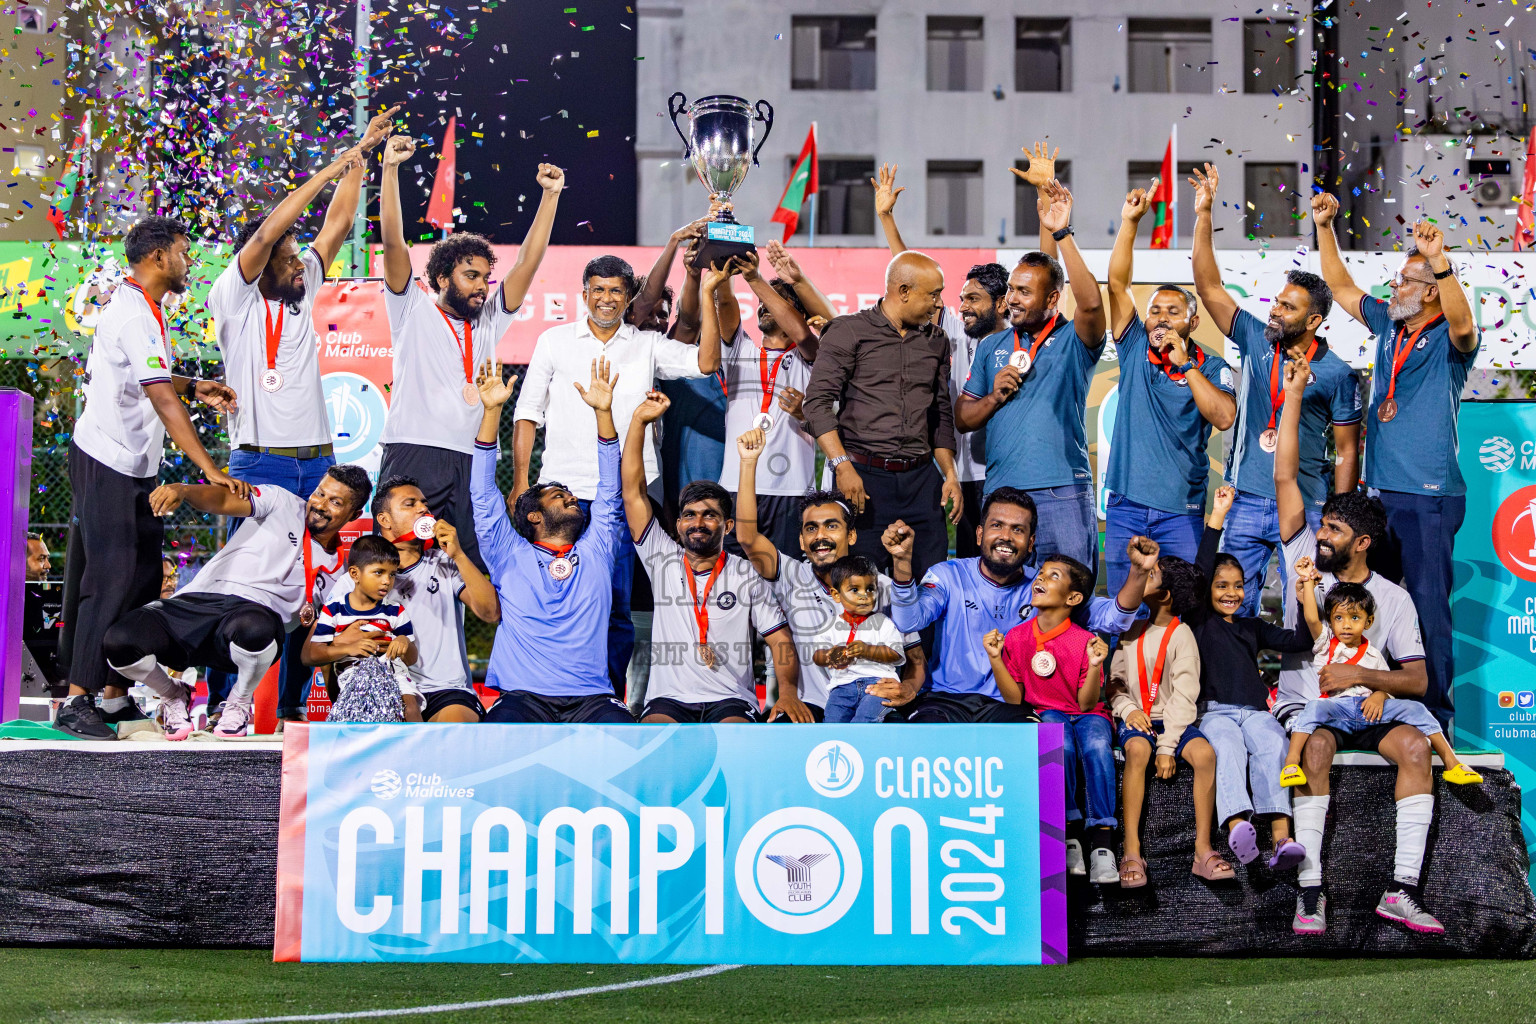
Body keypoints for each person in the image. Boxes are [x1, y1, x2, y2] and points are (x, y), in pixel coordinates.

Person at [207, 108, 397, 725]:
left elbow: (339, 220)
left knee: (304, 592)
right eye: (290, 258)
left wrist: (360, 160)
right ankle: (217, 698)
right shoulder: (232, 297)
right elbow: (268, 233)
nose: (300, 264)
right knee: (242, 584)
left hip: (316, 465)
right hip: (257, 463)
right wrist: (335, 164)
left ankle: (284, 706)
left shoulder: (300, 287)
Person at [1273, 354, 1444, 936]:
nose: (1321, 535)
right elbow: (1285, 477)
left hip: (1368, 709)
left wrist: (1366, 680)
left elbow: (1417, 681)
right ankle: (1311, 893)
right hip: (1311, 713)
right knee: (1315, 750)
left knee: (1417, 749)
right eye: (1322, 526)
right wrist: (1293, 396)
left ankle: (1401, 891)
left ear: (1363, 543)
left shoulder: (1392, 598)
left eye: (1335, 531)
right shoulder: (1305, 564)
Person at [56, 215, 244, 741]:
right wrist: (209, 468)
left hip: (134, 466)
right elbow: (160, 398)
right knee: (110, 578)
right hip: (108, 461)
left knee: (141, 580)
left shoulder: (144, 306)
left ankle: (115, 697)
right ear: (159, 256)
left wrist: (196, 384)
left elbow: (154, 379)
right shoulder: (135, 312)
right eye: (184, 251)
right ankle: (77, 700)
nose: (190, 261)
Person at [513, 253, 720, 696]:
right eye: (599, 290)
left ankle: (605, 695)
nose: (606, 299)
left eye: (616, 291)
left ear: (629, 298)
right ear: (584, 294)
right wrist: (519, 484)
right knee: (557, 598)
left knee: (616, 606)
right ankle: (548, 690)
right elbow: (527, 414)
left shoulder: (646, 345)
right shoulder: (553, 340)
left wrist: (707, 292)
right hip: (563, 494)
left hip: (627, 496)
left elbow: (705, 363)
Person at [1312, 194, 1477, 730]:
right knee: (1371, 606)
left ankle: (1435, 721)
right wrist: (1326, 226)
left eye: (1404, 281)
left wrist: (1442, 262)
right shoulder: (1388, 324)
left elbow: (1465, 324)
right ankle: (1377, 708)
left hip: (1427, 496)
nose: (1393, 288)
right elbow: (1339, 286)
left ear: (1430, 292)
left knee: (1429, 609)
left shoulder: (1451, 340)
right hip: (1379, 493)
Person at [377, 132, 564, 573]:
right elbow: (392, 244)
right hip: (415, 451)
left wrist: (551, 197)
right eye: (470, 275)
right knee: (401, 563)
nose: (482, 286)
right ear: (442, 278)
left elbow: (527, 264)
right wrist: (389, 170)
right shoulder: (411, 308)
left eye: (485, 277)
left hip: (472, 460)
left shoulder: (489, 319)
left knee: (470, 569)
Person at [1189, 165, 1361, 617]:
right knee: (1230, 609)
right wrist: (1204, 213)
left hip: (1303, 507)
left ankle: (1297, 690)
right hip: (1245, 497)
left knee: (1302, 610)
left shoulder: (1338, 373)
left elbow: (1346, 451)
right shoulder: (1255, 338)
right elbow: (1208, 287)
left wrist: (1336, 517)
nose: (1275, 311)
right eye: (1277, 302)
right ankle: (1236, 689)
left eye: (1288, 307)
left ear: (1313, 321)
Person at [101, 464, 372, 739]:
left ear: (355, 514)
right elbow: (225, 500)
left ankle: (239, 703)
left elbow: (319, 644)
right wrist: (184, 491)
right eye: (320, 493)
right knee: (119, 640)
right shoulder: (281, 501)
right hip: (197, 601)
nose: (320, 505)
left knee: (257, 626)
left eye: (335, 502)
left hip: (249, 627)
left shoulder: (340, 574)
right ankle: (172, 694)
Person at [882, 486, 1158, 732]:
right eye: (997, 526)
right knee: (921, 737)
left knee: (1043, 747)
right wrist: (902, 563)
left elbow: (1115, 619)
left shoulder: (1042, 589)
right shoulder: (947, 575)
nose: (1006, 537)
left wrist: (1138, 572)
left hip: (1009, 705)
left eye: (1018, 529)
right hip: (945, 699)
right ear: (979, 534)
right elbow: (909, 620)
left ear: (1031, 542)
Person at [954, 180, 1107, 571]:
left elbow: (1091, 302)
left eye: (1024, 292)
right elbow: (963, 416)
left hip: (1063, 491)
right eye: (1010, 290)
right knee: (1007, 598)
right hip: (1003, 492)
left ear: (1053, 299)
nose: (1012, 299)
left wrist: (1061, 234)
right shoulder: (992, 345)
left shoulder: (1075, 338)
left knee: (1071, 591)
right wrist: (993, 398)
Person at [471, 357, 633, 723]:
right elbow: (482, 493)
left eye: (569, 494)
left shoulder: (598, 549)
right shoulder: (507, 553)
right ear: (534, 515)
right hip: (523, 698)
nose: (571, 496)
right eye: (558, 495)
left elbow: (610, 488)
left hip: (592, 697)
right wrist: (492, 412)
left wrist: (603, 414)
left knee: (629, 744)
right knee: (494, 747)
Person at [873, 161, 1021, 559]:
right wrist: (886, 218)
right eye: (962, 300)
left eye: (973, 300)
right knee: (974, 562)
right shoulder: (952, 332)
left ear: (1002, 303)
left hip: (1010, 472)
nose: (962, 307)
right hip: (965, 475)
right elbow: (913, 276)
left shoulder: (1023, 341)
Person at [623, 392, 798, 723]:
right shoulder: (660, 556)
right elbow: (633, 493)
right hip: (669, 699)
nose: (697, 523)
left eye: (709, 515)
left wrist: (787, 694)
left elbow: (780, 639)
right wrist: (638, 423)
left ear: (728, 525)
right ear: (677, 524)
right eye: (689, 515)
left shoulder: (746, 575)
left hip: (730, 699)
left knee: (737, 738)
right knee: (654, 737)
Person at [734, 430, 924, 723]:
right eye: (811, 528)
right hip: (809, 707)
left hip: (872, 702)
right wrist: (748, 463)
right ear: (800, 541)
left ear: (851, 535)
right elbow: (747, 537)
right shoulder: (791, 576)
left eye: (831, 526)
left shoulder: (881, 586)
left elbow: (916, 659)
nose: (820, 536)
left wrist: (908, 688)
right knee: (775, 732)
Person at [1102, 180, 1237, 595]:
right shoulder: (1134, 346)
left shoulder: (1212, 366)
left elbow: (1224, 416)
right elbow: (1118, 284)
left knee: (1185, 605)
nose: (1160, 318)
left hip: (1181, 511)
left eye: (1172, 312)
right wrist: (1129, 223)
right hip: (1125, 506)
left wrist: (1186, 366)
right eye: (1154, 311)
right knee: (1123, 610)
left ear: (1192, 323)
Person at [802, 250, 964, 585]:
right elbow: (816, 404)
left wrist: (950, 474)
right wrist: (842, 467)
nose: (938, 304)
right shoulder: (848, 331)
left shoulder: (936, 341)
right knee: (860, 591)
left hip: (922, 484)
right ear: (903, 291)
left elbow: (940, 416)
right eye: (932, 294)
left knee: (931, 589)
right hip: (862, 482)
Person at [1190, 486, 1313, 871]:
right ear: (1208, 588)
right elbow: (1202, 568)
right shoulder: (1199, 621)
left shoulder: (1251, 626)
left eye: (1239, 585)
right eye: (1221, 585)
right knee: (1227, 748)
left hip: (1257, 711)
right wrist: (1219, 515)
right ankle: (1238, 825)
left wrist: (1305, 592)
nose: (1231, 592)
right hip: (1215, 713)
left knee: (1274, 746)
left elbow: (1301, 640)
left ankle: (1281, 839)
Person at [986, 557, 1123, 883]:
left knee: (1095, 746)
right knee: (1056, 742)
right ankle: (1071, 836)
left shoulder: (1084, 641)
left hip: (1088, 714)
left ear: (1073, 598)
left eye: (1053, 575)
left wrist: (1093, 665)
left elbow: (1086, 703)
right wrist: (995, 659)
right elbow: (1015, 699)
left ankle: (1102, 844)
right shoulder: (1017, 638)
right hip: (1049, 712)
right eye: (1042, 573)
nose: (1041, 579)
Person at [1281, 573, 1481, 788]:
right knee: (1312, 709)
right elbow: (1312, 618)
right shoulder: (1325, 644)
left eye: (1354, 617)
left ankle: (1452, 762)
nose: (1346, 625)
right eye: (1339, 618)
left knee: (1417, 710)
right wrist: (1308, 584)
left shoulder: (1374, 655)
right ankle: (1291, 762)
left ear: (1369, 621)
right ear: (1330, 621)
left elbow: (1385, 685)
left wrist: (1379, 695)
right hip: (1338, 709)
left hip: (1370, 712)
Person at [327, 476, 500, 721]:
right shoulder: (355, 579)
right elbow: (323, 646)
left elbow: (491, 613)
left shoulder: (444, 562)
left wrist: (459, 554)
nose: (423, 509)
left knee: (457, 732)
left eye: (425, 504)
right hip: (386, 689)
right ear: (384, 520)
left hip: (447, 690)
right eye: (410, 504)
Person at [1104, 555, 1224, 888]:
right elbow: (1114, 682)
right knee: (1139, 752)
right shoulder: (1130, 630)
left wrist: (1169, 745)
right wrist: (1128, 710)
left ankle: (1202, 849)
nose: (1142, 577)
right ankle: (1131, 849)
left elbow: (1185, 695)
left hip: (1173, 721)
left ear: (1165, 594)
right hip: (1137, 718)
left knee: (1205, 755)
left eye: (1151, 575)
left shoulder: (1182, 634)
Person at [713, 253, 820, 557]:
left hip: (791, 491)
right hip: (735, 487)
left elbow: (801, 333)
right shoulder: (741, 350)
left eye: (774, 301)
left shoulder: (810, 356)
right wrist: (723, 273)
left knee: (787, 583)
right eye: (761, 301)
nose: (763, 305)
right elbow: (726, 305)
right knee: (734, 579)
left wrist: (755, 279)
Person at [303, 535, 418, 723]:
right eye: (379, 573)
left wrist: (404, 642)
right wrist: (349, 649)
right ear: (355, 574)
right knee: (359, 716)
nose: (386, 581)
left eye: (392, 574)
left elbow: (412, 659)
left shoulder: (395, 610)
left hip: (392, 672)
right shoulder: (334, 609)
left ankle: (416, 751)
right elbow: (312, 655)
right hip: (353, 673)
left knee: (410, 708)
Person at [815, 555, 906, 724]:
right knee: (832, 723)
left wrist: (867, 650)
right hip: (841, 688)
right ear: (836, 594)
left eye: (870, 589)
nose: (864, 595)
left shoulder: (882, 623)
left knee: (863, 721)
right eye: (855, 590)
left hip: (877, 685)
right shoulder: (830, 625)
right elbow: (817, 656)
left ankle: (863, 749)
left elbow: (895, 654)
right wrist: (831, 655)